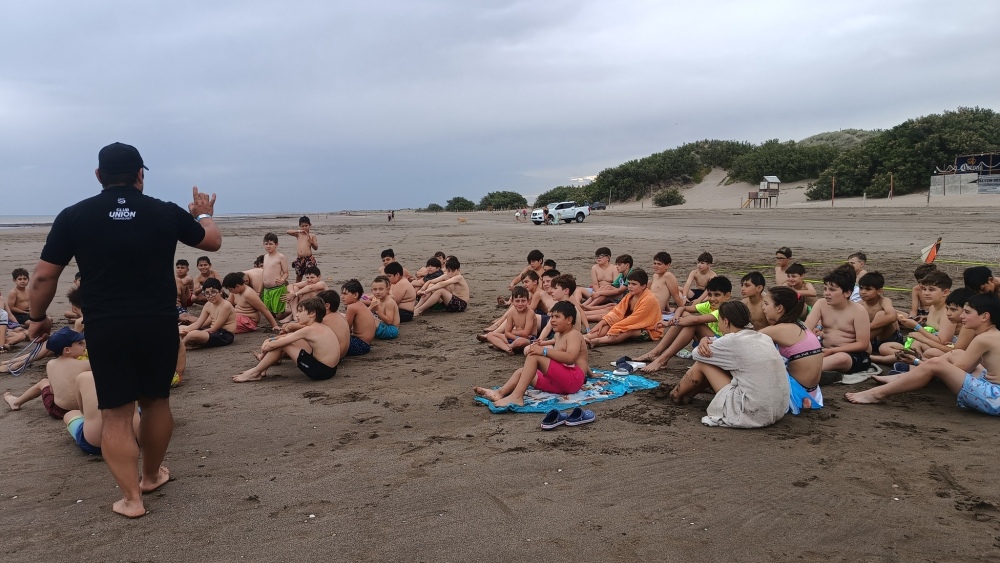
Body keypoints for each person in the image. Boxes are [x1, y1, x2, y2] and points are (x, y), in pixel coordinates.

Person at [27, 142, 221, 518]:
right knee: (156, 402)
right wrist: (204, 215)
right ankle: (150, 476)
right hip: (157, 322)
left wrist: (37, 317)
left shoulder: (74, 216)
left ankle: (132, 500)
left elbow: (43, 276)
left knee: (115, 413)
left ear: (99, 176)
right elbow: (210, 241)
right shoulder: (163, 211)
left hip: (106, 326)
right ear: (140, 176)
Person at [846, 293, 1000, 414]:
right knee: (956, 353)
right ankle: (903, 377)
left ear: (985, 316)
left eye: (967, 312)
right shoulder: (992, 334)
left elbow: (956, 370)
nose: (961, 316)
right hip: (992, 388)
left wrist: (916, 362)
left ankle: (876, 394)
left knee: (936, 363)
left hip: (995, 398)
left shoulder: (983, 339)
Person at [669, 301, 790, 428]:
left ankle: (676, 395)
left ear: (726, 322)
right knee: (720, 363)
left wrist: (704, 341)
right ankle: (688, 395)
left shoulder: (733, 340)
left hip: (752, 413)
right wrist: (707, 340)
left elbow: (697, 354)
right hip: (777, 410)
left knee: (702, 363)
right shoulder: (763, 337)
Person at [474, 301, 589, 407]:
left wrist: (544, 351)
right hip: (560, 382)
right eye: (552, 317)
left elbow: (570, 358)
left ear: (569, 320)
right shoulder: (558, 334)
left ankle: (517, 397)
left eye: (557, 317)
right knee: (522, 372)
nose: (552, 320)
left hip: (573, 380)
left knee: (534, 356)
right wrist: (542, 345)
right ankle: (499, 393)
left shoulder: (574, 334)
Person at [636, 276, 733, 372]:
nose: (712, 298)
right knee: (684, 319)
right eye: (710, 295)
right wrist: (675, 318)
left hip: (722, 346)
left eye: (717, 295)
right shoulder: (709, 305)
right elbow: (682, 308)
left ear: (727, 296)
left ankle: (662, 360)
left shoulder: (725, 309)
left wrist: (668, 323)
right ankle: (655, 353)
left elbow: (695, 320)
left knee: (692, 324)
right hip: (710, 340)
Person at [234, 298, 341, 382]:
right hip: (331, 370)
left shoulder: (309, 330)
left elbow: (274, 345)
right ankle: (259, 371)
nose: (297, 315)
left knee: (282, 345)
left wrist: (267, 343)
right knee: (287, 341)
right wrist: (272, 340)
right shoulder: (320, 327)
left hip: (321, 372)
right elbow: (289, 337)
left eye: (300, 311)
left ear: (312, 313)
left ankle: (255, 373)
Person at [759, 286, 824, 410]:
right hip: (813, 393)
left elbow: (744, 340)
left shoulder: (781, 329)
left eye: (766, 304)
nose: (763, 308)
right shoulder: (800, 324)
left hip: (795, 394)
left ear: (779, 308)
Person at [803, 265, 872, 378]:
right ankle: (815, 371)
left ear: (847, 293)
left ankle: (810, 371)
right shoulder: (821, 304)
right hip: (826, 349)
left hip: (853, 355)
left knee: (841, 358)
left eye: (832, 290)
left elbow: (863, 344)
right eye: (825, 289)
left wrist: (834, 351)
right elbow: (806, 329)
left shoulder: (858, 311)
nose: (826, 293)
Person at [4, 327, 89, 416]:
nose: (84, 344)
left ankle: (16, 402)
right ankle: (15, 403)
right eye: (80, 343)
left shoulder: (50, 364)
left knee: (44, 382)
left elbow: (52, 391)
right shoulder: (85, 364)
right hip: (85, 409)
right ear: (67, 350)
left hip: (59, 411)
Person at [584, 269, 664, 348]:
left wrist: (616, 326)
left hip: (650, 329)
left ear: (643, 286)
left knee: (627, 330)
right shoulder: (629, 296)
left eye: (634, 284)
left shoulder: (648, 299)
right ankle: (587, 337)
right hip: (633, 323)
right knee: (608, 324)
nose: (630, 286)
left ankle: (598, 341)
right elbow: (617, 311)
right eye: (629, 283)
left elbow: (636, 319)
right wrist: (602, 322)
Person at [179, 278, 237, 349]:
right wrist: (187, 330)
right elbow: (198, 323)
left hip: (224, 335)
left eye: (213, 292)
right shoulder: (208, 304)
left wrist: (193, 332)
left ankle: (181, 346)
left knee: (192, 334)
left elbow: (215, 328)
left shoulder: (226, 306)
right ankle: (192, 342)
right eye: (207, 293)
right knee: (180, 328)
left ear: (220, 291)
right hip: (211, 331)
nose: (210, 295)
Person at [485, 286, 537, 354]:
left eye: (523, 301)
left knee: (520, 341)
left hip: (527, 339)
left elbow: (526, 333)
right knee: (490, 335)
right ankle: (508, 349)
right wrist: (514, 336)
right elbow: (506, 333)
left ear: (528, 301)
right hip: (513, 338)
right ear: (512, 301)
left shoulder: (530, 313)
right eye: (517, 301)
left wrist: (512, 332)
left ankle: (503, 346)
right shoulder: (511, 313)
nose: (520, 304)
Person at [341, 279, 376, 356]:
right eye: (342, 294)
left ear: (355, 295)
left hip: (360, 345)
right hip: (366, 345)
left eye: (345, 294)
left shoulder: (352, 307)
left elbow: (346, 328)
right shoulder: (360, 304)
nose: (342, 297)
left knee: (333, 344)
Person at [260, 232, 290, 318]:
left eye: (270, 244)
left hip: (277, 288)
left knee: (279, 314)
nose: (268, 246)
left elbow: (286, 272)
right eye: (266, 244)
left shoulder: (280, 257)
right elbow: (264, 273)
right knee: (269, 313)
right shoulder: (265, 256)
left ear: (276, 244)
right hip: (267, 290)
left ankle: (292, 311)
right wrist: (260, 290)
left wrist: (282, 280)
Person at [286, 215, 319, 283]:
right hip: (299, 259)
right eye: (302, 226)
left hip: (309, 258)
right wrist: (299, 231)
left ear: (310, 225)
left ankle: (312, 288)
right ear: (300, 226)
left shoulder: (312, 236)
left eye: (306, 225)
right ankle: (297, 289)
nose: (304, 228)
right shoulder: (298, 234)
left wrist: (311, 242)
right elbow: (288, 231)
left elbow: (316, 248)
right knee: (299, 276)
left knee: (311, 275)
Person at [369, 275, 400, 339]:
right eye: (375, 289)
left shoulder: (389, 302)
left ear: (387, 289)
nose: (377, 292)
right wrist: (370, 308)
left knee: (366, 319)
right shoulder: (377, 299)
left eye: (381, 289)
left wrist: (377, 310)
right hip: (382, 326)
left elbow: (389, 321)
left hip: (391, 330)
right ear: (371, 290)